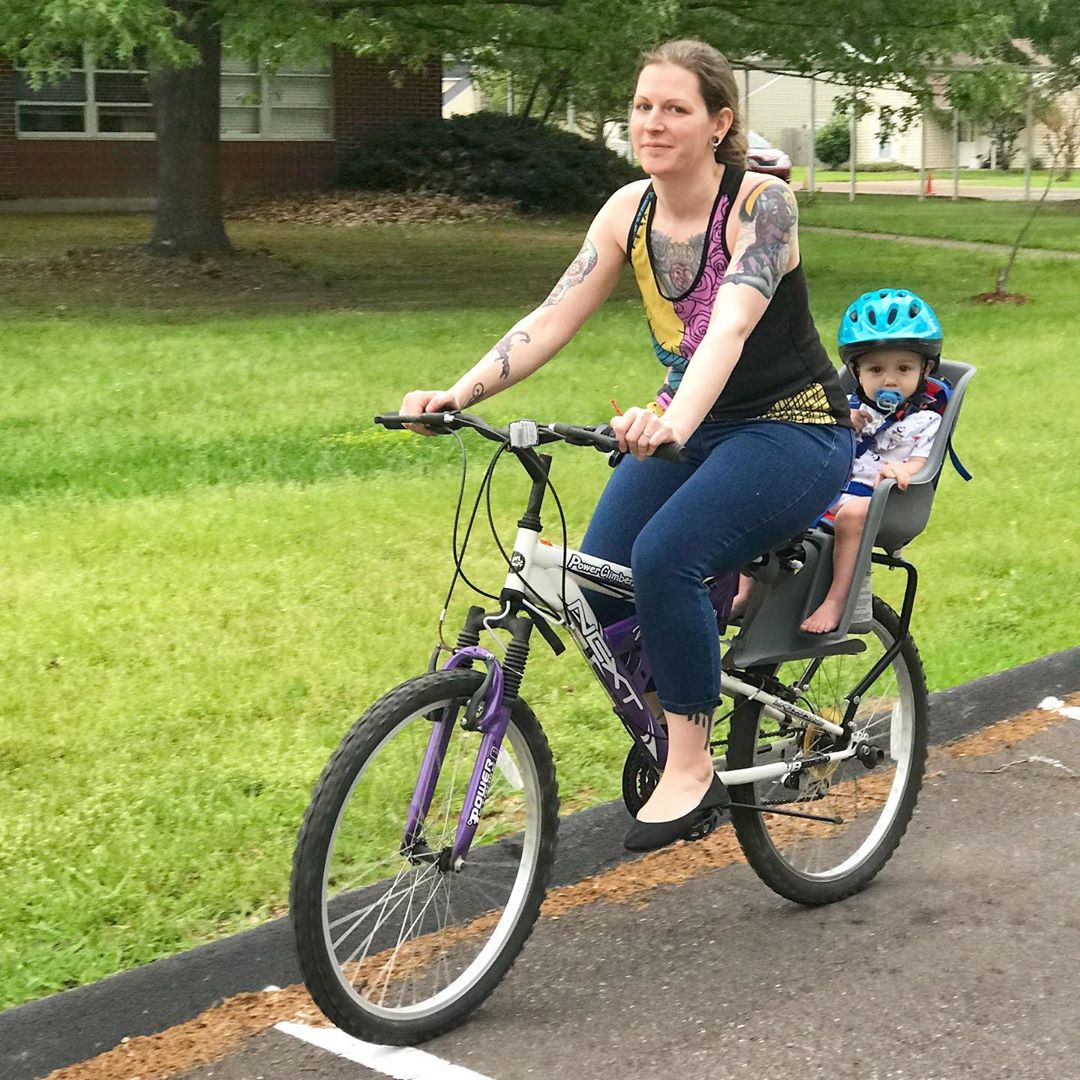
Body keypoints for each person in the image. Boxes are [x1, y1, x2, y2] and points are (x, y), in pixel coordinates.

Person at [399, 39, 854, 852]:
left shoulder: (762, 206)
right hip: (695, 426)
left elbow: (731, 322)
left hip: (795, 426)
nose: (652, 122)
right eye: (643, 106)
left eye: (675, 108)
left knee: (665, 555)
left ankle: (690, 763)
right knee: (599, 587)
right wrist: (456, 393)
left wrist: (672, 419)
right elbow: (551, 316)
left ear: (719, 123)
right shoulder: (626, 212)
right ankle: (694, 671)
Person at [799, 288, 945, 634]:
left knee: (852, 515)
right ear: (856, 371)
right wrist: (840, 423)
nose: (890, 379)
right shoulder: (849, 408)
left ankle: (836, 600)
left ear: (925, 369)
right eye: (876, 369)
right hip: (833, 488)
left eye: (904, 368)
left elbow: (923, 464)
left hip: (885, 500)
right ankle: (744, 591)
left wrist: (901, 470)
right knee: (761, 497)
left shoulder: (926, 419)